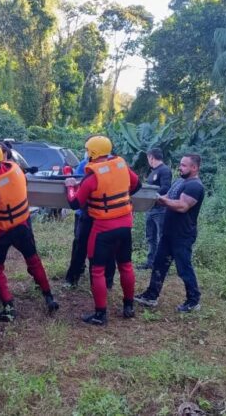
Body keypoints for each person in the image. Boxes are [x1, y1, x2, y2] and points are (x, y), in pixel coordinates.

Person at [0, 142, 59, 322]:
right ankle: (49, 296)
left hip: (2, 231)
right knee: (34, 260)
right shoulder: (16, 168)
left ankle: (8, 308)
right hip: (22, 226)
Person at [65, 136, 141, 325]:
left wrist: (70, 187)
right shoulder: (121, 165)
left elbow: (75, 203)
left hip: (103, 229)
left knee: (97, 270)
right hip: (125, 226)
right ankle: (128, 306)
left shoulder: (92, 177)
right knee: (126, 266)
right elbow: (137, 185)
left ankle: (100, 314)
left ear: (91, 153)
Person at [135, 154, 205, 312]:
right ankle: (151, 296)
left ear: (194, 168)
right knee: (159, 264)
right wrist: (153, 197)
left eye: (184, 165)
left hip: (182, 235)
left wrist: (162, 200)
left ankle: (193, 301)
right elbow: (168, 197)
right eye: (180, 164)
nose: (180, 167)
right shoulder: (180, 181)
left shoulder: (195, 186)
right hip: (169, 233)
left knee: (184, 268)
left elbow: (182, 206)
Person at [63, 152, 117, 290]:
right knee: (81, 246)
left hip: (100, 215)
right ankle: (74, 277)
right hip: (93, 214)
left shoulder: (111, 166)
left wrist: (70, 186)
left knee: (103, 248)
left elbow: (74, 201)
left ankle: (106, 280)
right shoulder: (86, 164)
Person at [138, 148, 172, 269]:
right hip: (150, 208)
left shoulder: (164, 170)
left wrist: (151, 193)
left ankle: (162, 264)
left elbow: (166, 188)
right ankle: (151, 262)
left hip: (160, 209)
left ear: (151, 157)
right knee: (150, 236)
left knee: (161, 237)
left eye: (148, 159)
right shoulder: (153, 171)